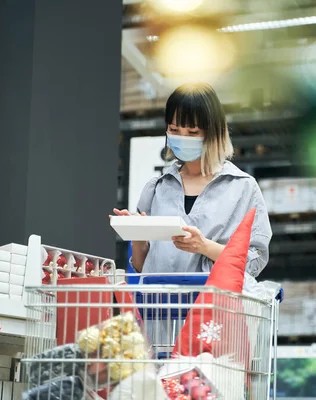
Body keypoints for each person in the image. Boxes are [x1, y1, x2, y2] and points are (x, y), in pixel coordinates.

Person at [113, 83, 272, 279]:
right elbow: (141, 267)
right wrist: (137, 237)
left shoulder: (242, 188)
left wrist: (205, 247)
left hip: (214, 306)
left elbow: (254, 263)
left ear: (213, 132)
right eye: (174, 129)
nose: (182, 138)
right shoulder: (156, 189)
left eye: (193, 132)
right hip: (158, 306)